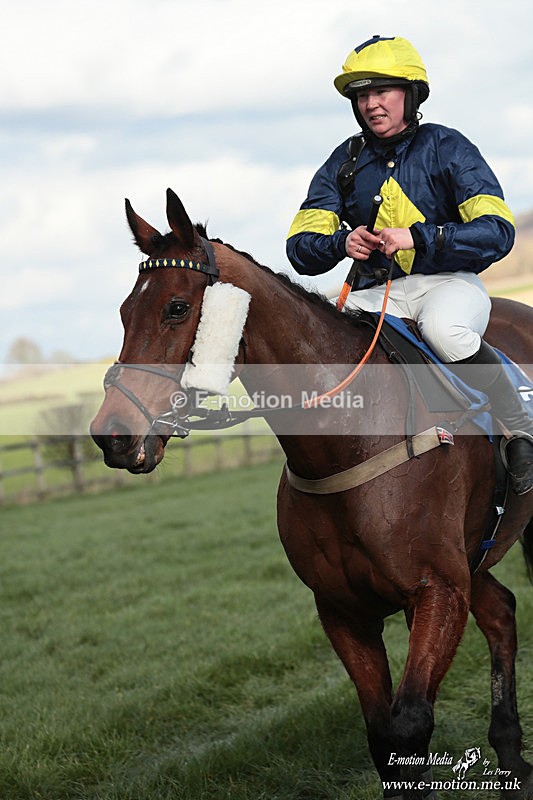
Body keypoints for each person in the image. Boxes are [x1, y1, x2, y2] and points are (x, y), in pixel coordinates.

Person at [286, 34, 533, 495]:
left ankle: (520, 429)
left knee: (445, 331)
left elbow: (498, 231)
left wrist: (419, 237)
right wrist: (343, 242)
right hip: (375, 292)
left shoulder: (448, 146)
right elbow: (299, 246)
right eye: (362, 95)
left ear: (411, 93)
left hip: (448, 284)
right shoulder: (344, 161)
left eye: (382, 91)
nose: (371, 104)